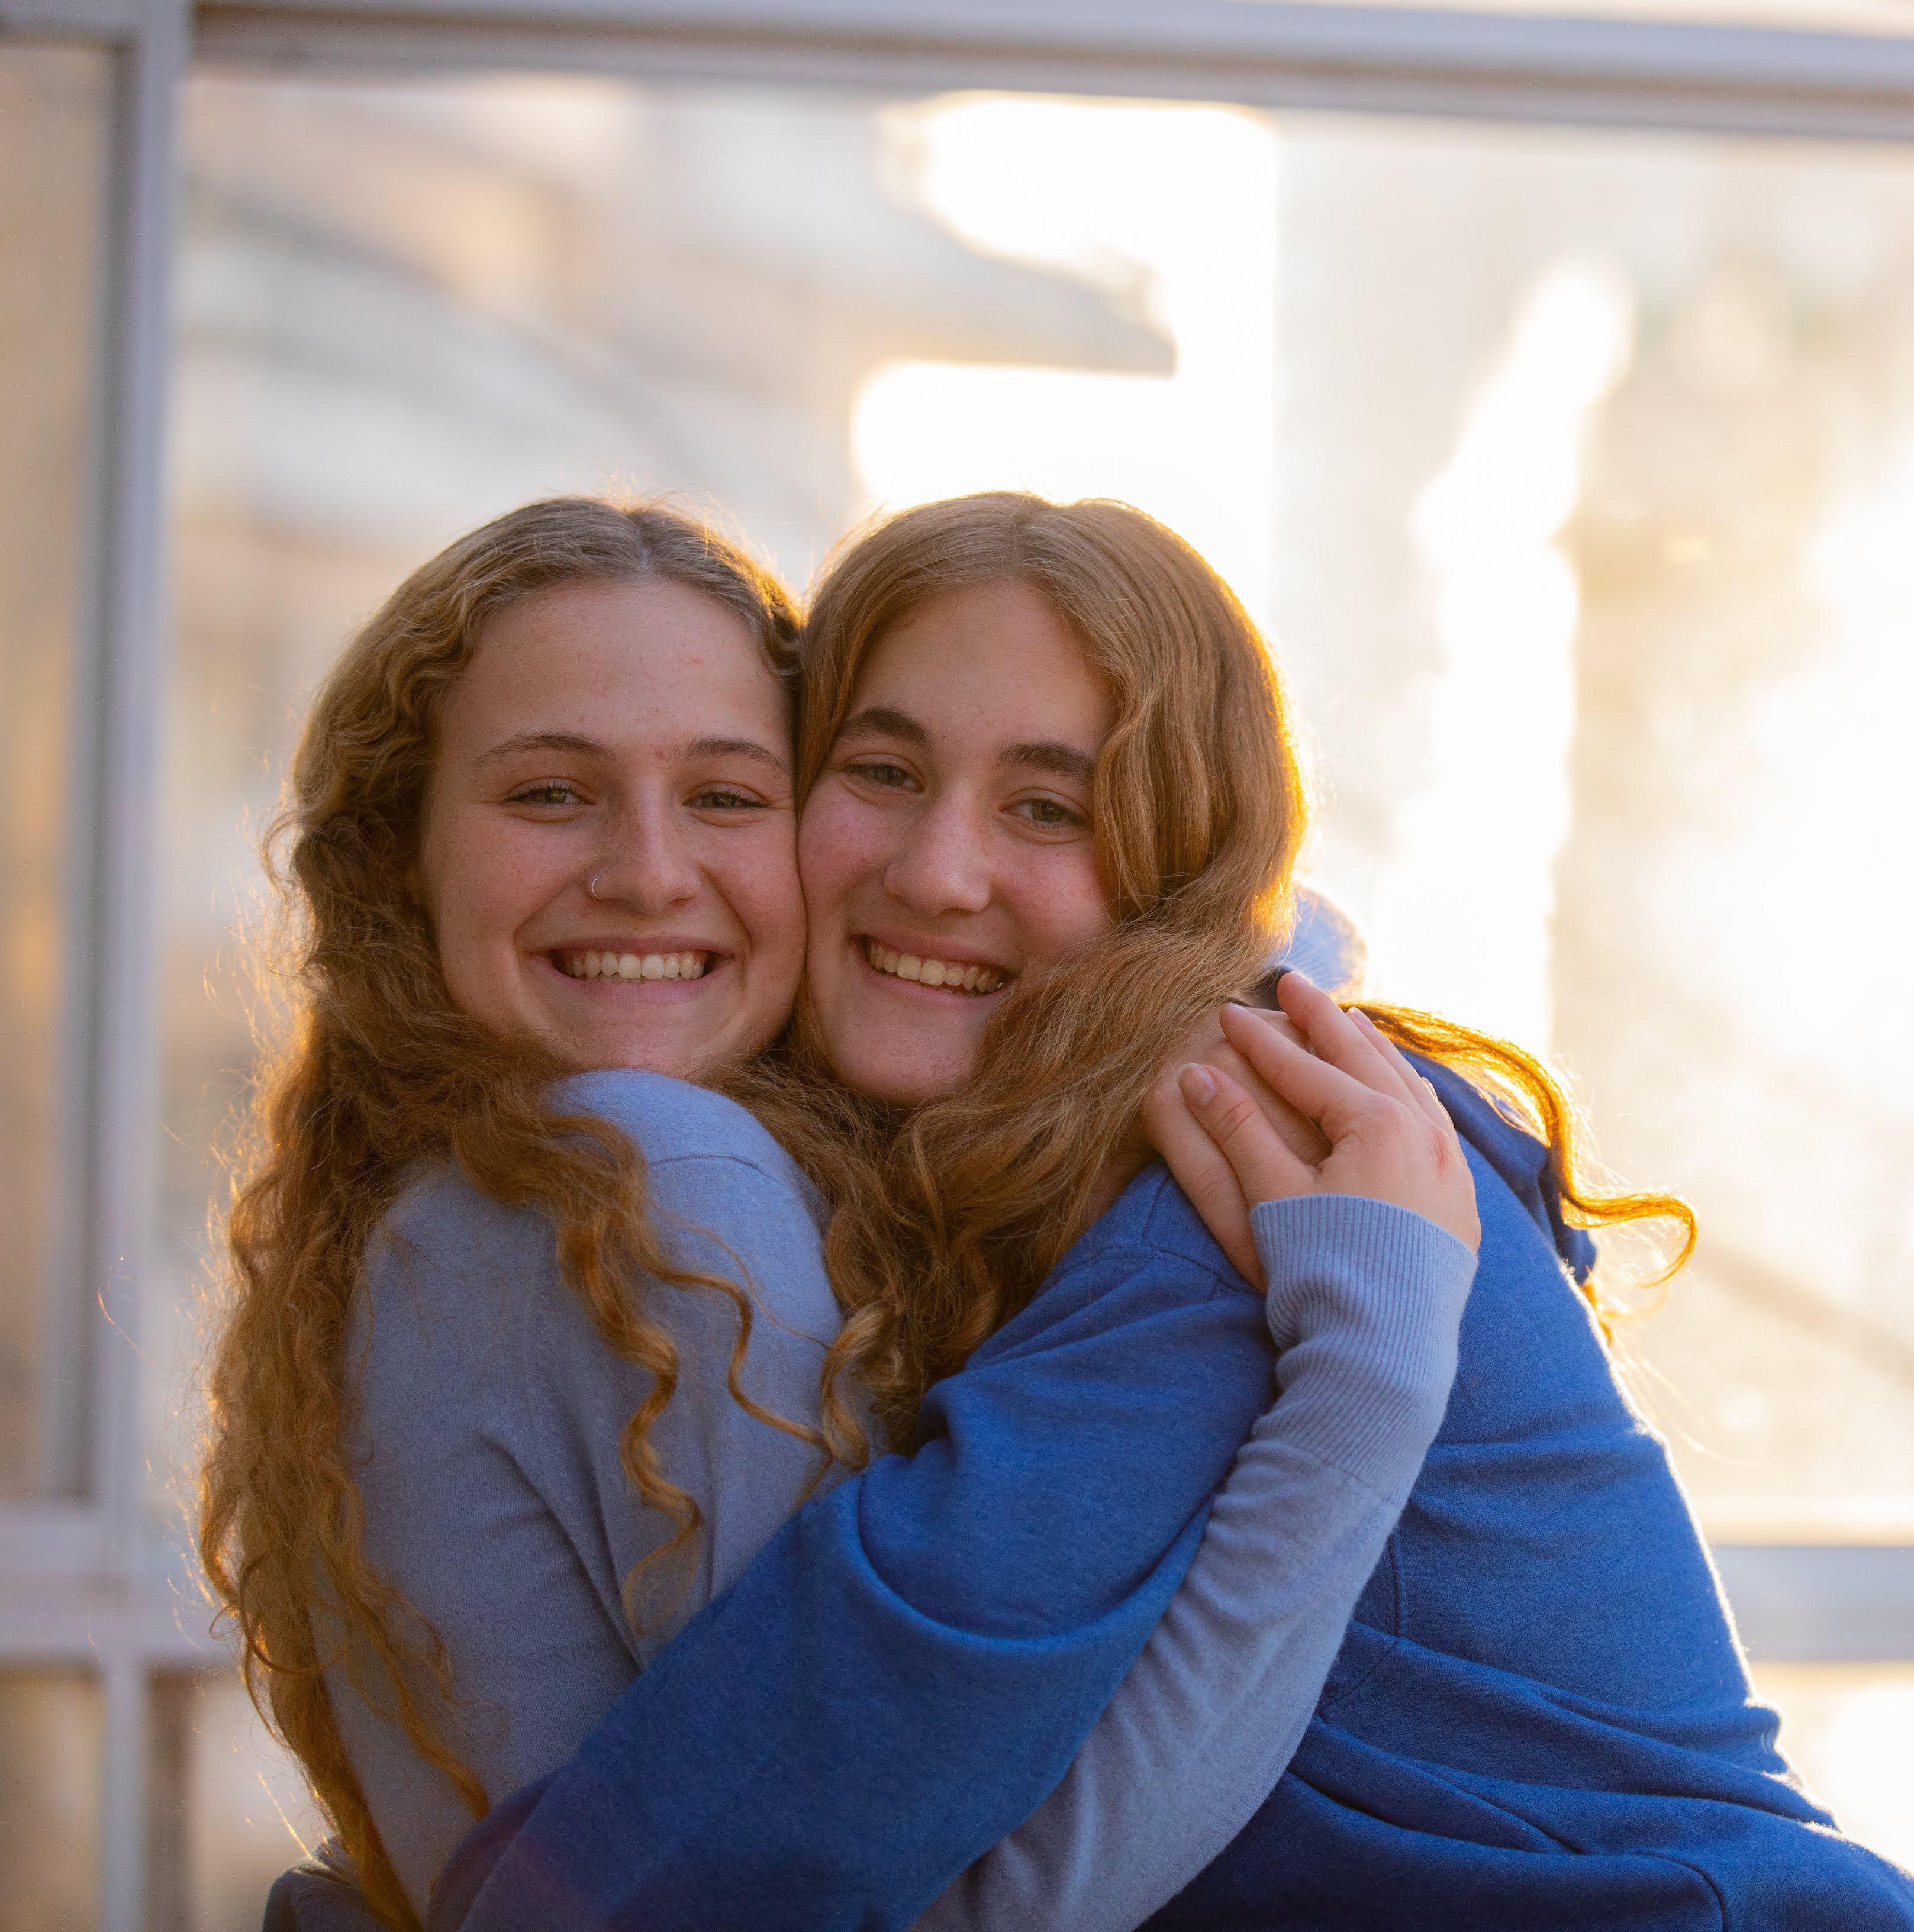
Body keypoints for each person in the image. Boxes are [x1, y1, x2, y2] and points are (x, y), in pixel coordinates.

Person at [427, 492, 1914, 1931]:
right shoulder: (999, 1180)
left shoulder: (1247, 1153)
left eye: (1050, 809)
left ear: (1173, 865)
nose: (940, 869)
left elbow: (865, 1713)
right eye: (883, 772)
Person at [196, 498, 1482, 1932]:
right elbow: (952, 1903)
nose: (648, 869)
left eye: (729, 796)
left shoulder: (442, 1203)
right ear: (396, 855)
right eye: (550, 792)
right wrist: (1369, 1386)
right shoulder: (650, 1171)